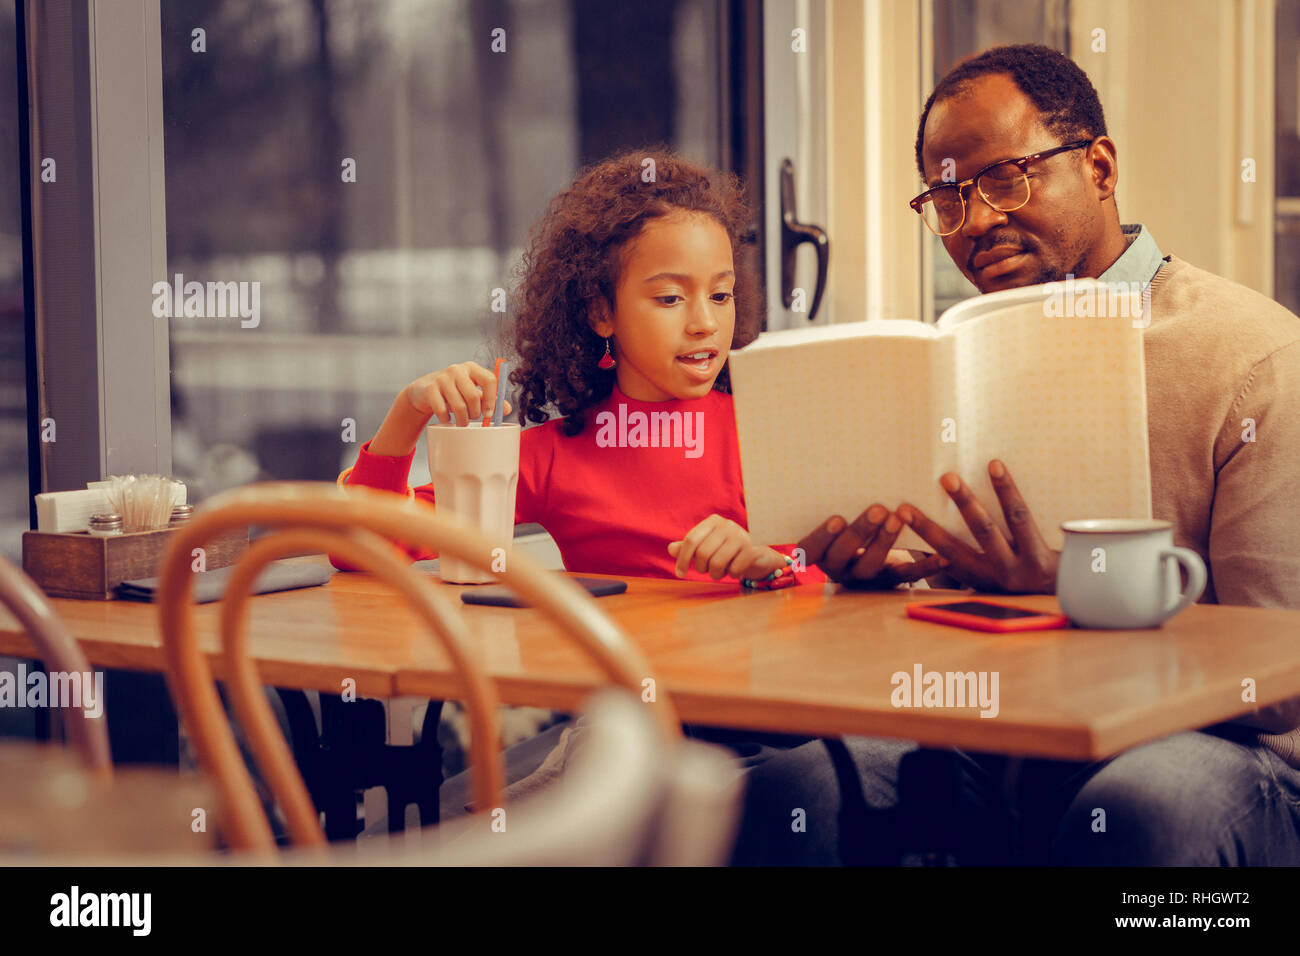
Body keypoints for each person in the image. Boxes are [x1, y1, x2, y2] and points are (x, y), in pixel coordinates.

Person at [732, 44, 1300, 866]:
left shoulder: (1255, 358)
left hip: (1221, 752)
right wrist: (859, 588)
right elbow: (935, 648)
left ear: (1100, 166)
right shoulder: (953, 365)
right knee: (798, 790)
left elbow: (1275, 676)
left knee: (1147, 810)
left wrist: (1074, 595)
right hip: (993, 731)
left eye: (1006, 177)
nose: (979, 222)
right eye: (949, 198)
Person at [330, 147, 813, 588]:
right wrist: (408, 410)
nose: (705, 323)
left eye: (721, 295)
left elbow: (825, 579)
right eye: (670, 298)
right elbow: (361, 545)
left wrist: (767, 564)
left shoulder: (762, 436)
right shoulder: (552, 456)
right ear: (601, 312)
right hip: (606, 684)